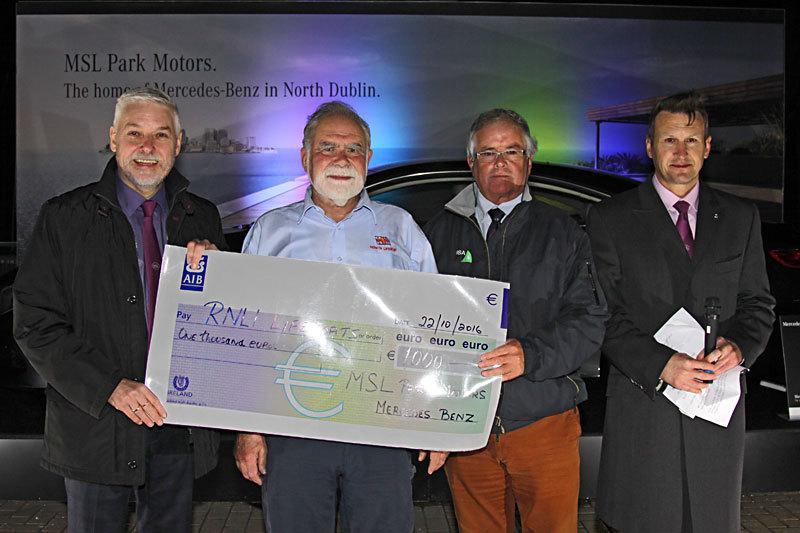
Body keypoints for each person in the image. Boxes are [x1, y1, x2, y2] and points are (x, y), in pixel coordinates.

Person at [13, 87, 226, 532]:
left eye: (161, 135)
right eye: (135, 133)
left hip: (177, 425)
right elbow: (35, 324)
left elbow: (222, 322)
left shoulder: (202, 218)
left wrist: (217, 273)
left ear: (179, 144)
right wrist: (111, 386)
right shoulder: (63, 217)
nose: (147, 148)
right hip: (94, 424)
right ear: (113, 139)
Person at [232, 101, 442, 532]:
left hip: (383, 424)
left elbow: (433, 329)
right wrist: (249, 430)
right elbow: (245, 335)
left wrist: (436, 423)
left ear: (368, 158)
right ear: (305, 157)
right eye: (328, 147)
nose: (342, 159)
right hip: (292, 427)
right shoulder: (268, 231)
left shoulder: (402, 228)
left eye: (354, 148)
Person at [586, 91, 776, 532]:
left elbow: (758, 305)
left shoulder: (740, 216)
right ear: (650, 146)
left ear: (708, 147)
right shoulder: (610, 219)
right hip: (645, 406)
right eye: (670, 140)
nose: (681, 152)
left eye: (692, 141)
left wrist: (740, 348)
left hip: (716, 409)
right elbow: (603, 314)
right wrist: (663, 365)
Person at [423, 108, 608, 532]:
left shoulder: (564, 233)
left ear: (529, 161)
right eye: (488, 152)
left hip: (543, 421)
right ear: (471, 163)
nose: (501, 162)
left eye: (512, 151)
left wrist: (530, 354)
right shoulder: (436, 234)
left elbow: (590, 318)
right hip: (465, 427)